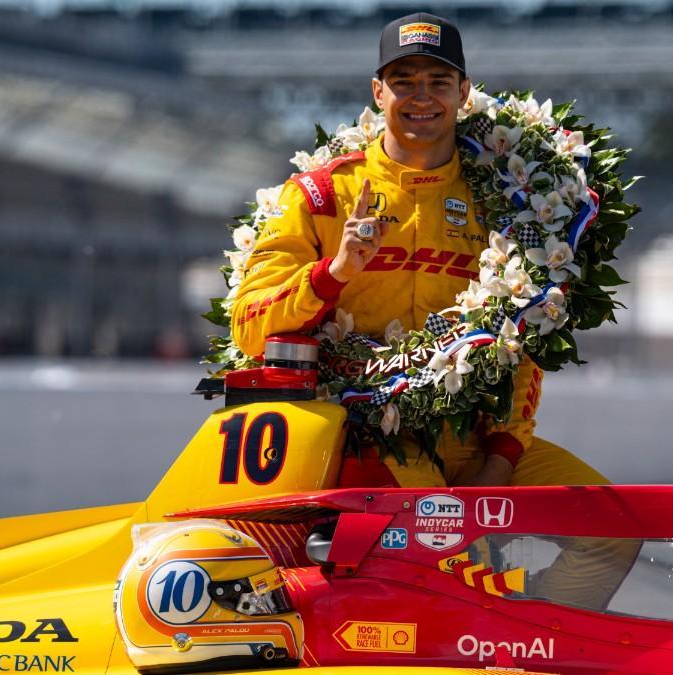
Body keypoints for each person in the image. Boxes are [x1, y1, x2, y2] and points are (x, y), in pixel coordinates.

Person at [231, 13, 607, 492]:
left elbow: (525, 335)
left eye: (439, 81)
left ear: (464, 92)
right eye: (403, 81)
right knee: (438, 525)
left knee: (609, 534)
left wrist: (503, 457)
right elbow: (248, 324)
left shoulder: (510, 200)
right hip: (362, 438)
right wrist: (336, 272)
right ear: (377, 92)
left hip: (474, 440)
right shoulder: (319, 195)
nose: (422, 96)